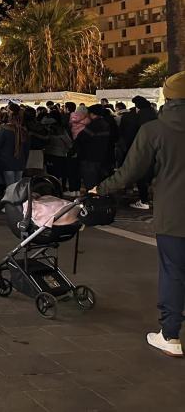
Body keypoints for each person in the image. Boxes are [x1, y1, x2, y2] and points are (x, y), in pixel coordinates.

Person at [91, 72, 185, 358]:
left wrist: (101, 188)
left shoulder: (155, 130)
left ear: (167, 98)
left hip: (174, 215)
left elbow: (130, 172)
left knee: (173, 273)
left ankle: (170, 335)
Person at [119, 96, 158, 210]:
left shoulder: (136, 118)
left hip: (142, 150)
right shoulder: (155, 115)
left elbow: (130, 135)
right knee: (153, 174)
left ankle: (144, 200)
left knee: (142, 174)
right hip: (157, 149)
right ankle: (152, 198)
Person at [0, 104, 29, 187]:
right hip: (20, 162)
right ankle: (18, 200)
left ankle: (11, 200)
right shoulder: (24, 130)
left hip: (7, 161)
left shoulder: (5, 128)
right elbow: (26, 148)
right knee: (18, 186)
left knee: (10, 186)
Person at [74, 104, 112, 192]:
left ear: (92, 114)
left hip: (90, 157)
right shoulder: (106, 123)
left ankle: (92, 201)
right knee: (98, 180)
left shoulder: (94, 125)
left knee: (90, 181)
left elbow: (81, 137)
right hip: (101, 155)